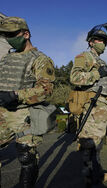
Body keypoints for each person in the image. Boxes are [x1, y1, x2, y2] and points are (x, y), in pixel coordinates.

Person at [0, 17, 55, 187]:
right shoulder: (6, 59)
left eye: (11, 34)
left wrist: (17, 95)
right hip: (2, 113)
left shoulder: (39, 59)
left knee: (27, 158)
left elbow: (46, 90)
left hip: (24, 115)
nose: (8, 39)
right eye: (5, 35)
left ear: (26, 34)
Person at [70, 22, 107, 186]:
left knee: (96, 144)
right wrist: (97, 73)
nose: (103, 43)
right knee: (90, 145)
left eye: (105, 41)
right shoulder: (84, 57)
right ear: (91, 42)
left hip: (102, 108)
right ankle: (90, 178)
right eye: (99, 40)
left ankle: (94, 173)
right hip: (93, 106)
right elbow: (75, 78)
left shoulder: (101, 61)